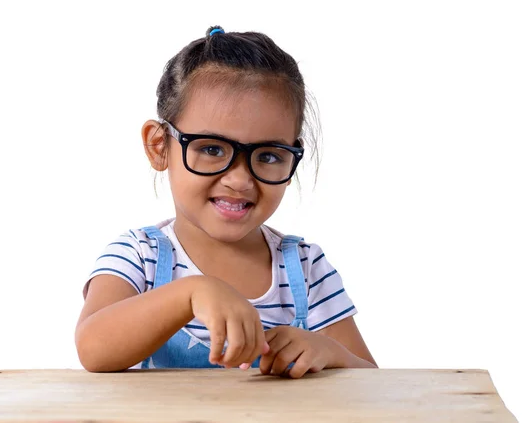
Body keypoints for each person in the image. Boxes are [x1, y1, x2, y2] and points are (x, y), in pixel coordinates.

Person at [75, 26, 377, 378]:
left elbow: (370, 378)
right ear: (159, 146)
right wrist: (191, 292)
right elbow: (92, 349)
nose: (239, 180)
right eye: (212, 149)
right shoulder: (140, 256)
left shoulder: (306, 268)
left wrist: (331, 352)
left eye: (267, 155)